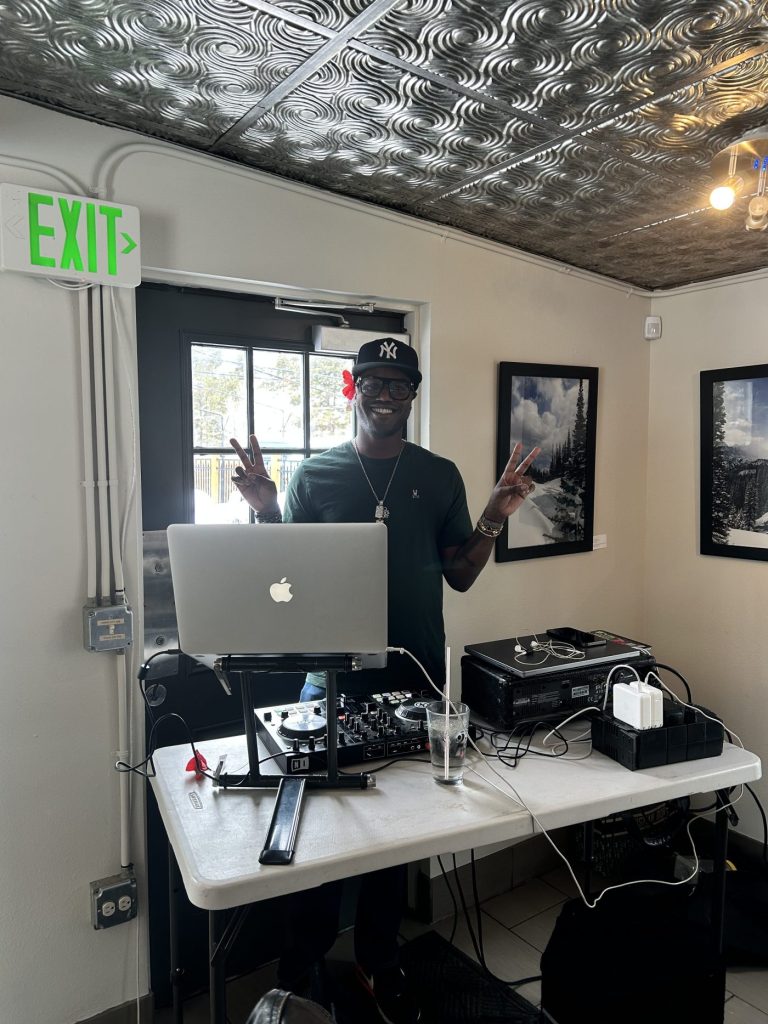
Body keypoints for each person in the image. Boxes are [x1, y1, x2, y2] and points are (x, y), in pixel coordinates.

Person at [231, 338, 538, 1024]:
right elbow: (288, 580)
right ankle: (301, 968)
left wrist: (493, 514)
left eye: (400, 385)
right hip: (332, 681)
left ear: (412, 395)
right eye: (374, 381)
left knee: (394, 841)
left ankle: (379, 958)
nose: (386, 395)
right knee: (319, 830)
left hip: (419, 676)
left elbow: (460, 571)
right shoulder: (315, 476)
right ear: (353, 388)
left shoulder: (440, 473)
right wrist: (265, 508)